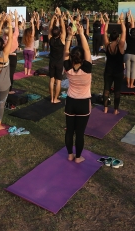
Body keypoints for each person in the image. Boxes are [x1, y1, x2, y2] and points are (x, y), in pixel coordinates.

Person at [63, 23, 92, 164]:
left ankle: (70, 154)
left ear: (72, 58)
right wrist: (81, 33)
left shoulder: (67, 67)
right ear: (82, 58)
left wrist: (69, 36)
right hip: (83, 103)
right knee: (79, 133)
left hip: (70, 102)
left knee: (70, 131)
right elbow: (86, 49)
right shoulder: (87, 68)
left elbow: (65, 52)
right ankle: (78, 157)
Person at [102, 13, 126, 114]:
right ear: (117, 38)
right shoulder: (120, 45)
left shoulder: (107, 45)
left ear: (110, 37)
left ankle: (105, 108)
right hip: (118, 71)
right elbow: (124, 31)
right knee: (117, 91)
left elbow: (104, 32)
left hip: (108, 70)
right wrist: (121, 21)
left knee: (106, 89)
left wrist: (107, 21)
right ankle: (115, 110)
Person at [48, 7, 66, 103]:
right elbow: (63, 27)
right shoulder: (62, 39)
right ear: (59, 34)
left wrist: (53, 18)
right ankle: (55, 99)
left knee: (51, 80)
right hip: (59, 63)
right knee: (58, 81)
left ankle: (51, 98)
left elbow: (50, 27)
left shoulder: (50, 38)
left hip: (52, 61)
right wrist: (59, 16)